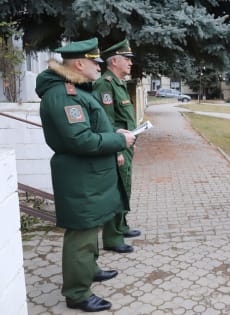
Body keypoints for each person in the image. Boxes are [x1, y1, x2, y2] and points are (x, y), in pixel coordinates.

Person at [35, 38, 136, 312]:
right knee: (81, 234)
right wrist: (118, 142)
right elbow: (80, 140)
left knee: (91, 227)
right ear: (79, 64)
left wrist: (113, 134)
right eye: (95, 62)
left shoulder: (78, 91)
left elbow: (91, 130)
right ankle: (78, 293)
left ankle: (89, 270)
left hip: (89, 174)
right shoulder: (64, 94)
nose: (98, 67)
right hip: (81, 176)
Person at [93, 39, 141, 254]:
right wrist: (118, 149)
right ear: (113, 61)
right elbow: (106, 123)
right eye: (126, 59)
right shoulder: (105, 84)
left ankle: (121, 226)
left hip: (125, 144)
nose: (130, 63)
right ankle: (112, 238)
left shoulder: (119, 84)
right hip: (117, 146)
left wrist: (130, 143)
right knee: (116, 189)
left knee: (125, 185)